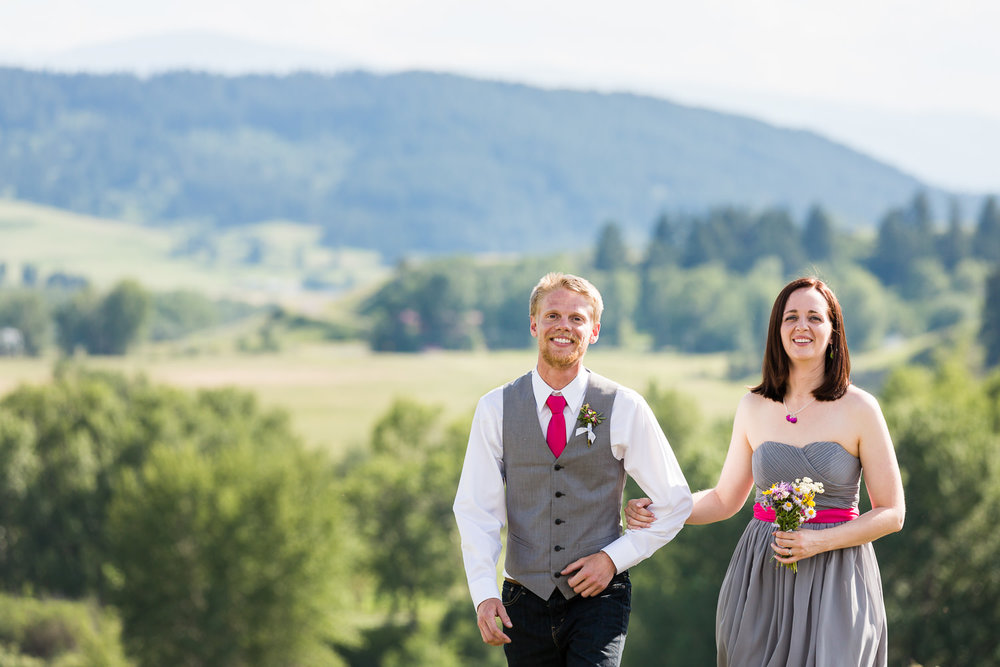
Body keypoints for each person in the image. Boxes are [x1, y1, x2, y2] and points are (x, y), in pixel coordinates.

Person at [626, 276, 905, 666]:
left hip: (837, 575)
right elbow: (724, 499)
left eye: (814, 317)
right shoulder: (753, 406)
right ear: (777, 330)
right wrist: (661, 508)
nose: (801, 327)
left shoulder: (860, 408)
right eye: (790, 317)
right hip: (760, 574)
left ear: (833, 331)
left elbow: (892, 513)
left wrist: (817, 543)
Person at [453, 272, 693, 666]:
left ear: (594, 330)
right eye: (552, 315)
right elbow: (476, 510)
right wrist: (484, 592)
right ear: (534, 324)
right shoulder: (494, 408)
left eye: (577, 318)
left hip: (599, 599)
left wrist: (614, 558)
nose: (564, 326)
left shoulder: (624, 405)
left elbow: (675, 501)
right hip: (521, 601)